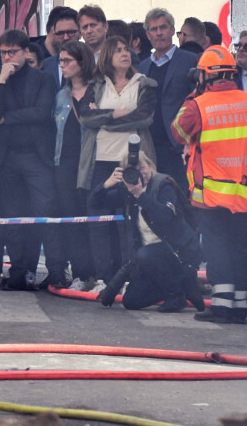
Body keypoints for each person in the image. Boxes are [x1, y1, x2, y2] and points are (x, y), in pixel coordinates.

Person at [172, 45, 247, 324]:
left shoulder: (198, 104)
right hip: (244, 193)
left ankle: (221, 306)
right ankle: (242, 307)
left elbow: (178, 132)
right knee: (241, 248)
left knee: (218, 248)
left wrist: (195, 94)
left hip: (212, 193)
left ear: (204, 76)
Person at [79, 35, 157, 293]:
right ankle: (103, 278)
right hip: (100, 161)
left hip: (132, 161)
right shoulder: (96, 85)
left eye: (127, 50)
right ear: (107, 57)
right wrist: (116, 114)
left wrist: (104, 119)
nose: (125, 54)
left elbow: (143, 118)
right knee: (99, 220)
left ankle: (128, 278)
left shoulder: (145, 83)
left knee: (129, 221)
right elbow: (86, 117)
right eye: (118, 51)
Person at [0, 30, 56, 290]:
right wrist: (2, 81)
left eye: (12, 52)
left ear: (25, 52)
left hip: (37, 158)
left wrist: (8, 118)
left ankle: (34, 269)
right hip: (7, 158)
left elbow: (41, 112)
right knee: (12, 217)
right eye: (3, 52)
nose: (8, 58)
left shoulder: (43, 79)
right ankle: (16, 271)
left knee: (41, 214)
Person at [92, 152, 204, 313]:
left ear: (150, 167)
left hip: (179, 253)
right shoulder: (128, 191)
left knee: (145, 254)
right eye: (133, 170)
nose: (140, 172)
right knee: (131, 301)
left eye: (142, 167)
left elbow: (165, 217)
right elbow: (95, 204)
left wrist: (140, 195)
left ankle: (176, 296)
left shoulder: (163, 185)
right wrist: (106, 185)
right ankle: (183, 285)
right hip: (150, 260)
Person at [46, 40, 96, 291]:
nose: (62, 65)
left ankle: (99, 273)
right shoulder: (60, 95)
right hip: (64, 165)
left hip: (93, 164)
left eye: (67, 61)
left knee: (94, 219)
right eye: (61, 61)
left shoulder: (99, 91)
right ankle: (80, 273)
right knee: (71, 220)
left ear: (82, 62)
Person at [137, 8, 198, 193]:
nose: (159, 33)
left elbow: (197, 102)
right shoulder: (142, 67)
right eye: (153, 29)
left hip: (178, 148)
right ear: (148, 35)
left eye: (163, 27)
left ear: (172, 30)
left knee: (183, 202)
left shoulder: (190, 60)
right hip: (149, 148)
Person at [42, 7, 80, 92]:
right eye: (60, 33)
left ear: (80, 33)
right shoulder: (44, 66)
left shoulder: (90, 64)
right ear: (54, 35)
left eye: (70, 32)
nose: (66, 37)